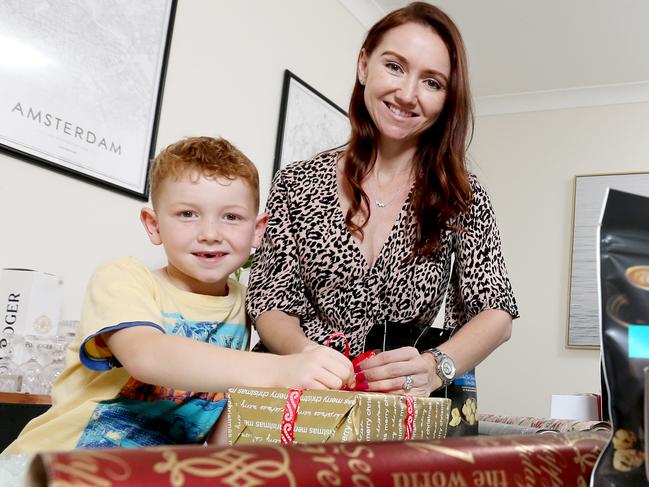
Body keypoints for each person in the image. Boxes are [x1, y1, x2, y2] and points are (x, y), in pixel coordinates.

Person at [4, 137, 353, 454]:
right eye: (188, 214)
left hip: (149, 473)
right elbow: (147, 355)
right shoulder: (124, 277)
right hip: (52, 463)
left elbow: (217, 409)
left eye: (231, 217)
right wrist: (281, 369)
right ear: (154, 225)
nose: (211, 233)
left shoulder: (243, 304)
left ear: (258, 230)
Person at [247, 2, 519, 401]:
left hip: (392, 412)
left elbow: (496, 313)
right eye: (394, 66)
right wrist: (307, 357)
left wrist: (435, 367)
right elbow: (270, 300)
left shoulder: (463, 197)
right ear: (364, 66)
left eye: (432, 82)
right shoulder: (295, 182)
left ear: (447, 99)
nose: (407, 94)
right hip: (293, 401)